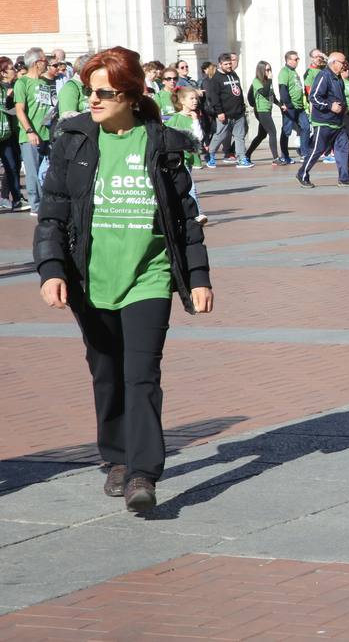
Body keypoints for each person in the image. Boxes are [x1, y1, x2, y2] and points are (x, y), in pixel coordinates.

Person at [33, 46, 212, 513]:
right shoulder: (73, 141)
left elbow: (185, 219)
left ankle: (143, 472)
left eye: (104, 93)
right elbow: (52, 214)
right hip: (90, 278)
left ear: (132, 96)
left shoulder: (162, 143)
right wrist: (51, 269)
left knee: (141, 375)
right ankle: (115, 457)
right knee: (106, 371)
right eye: (90, 91)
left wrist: (197, 277)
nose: (92, 101)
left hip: (148, 277)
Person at [296, 51, 349, 188]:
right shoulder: (323, 76)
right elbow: (314, 97)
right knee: (317, 150)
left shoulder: (338, 78)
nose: (345, 65)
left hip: (338, 122)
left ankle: (344, 178)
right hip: (323, 122)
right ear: (334, 63)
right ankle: (302, 174)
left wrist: (348, 109)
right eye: (343, 62)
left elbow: (340, 98)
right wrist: (330, 106)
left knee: (343, 149)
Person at [14, 47, 58, 214]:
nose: (46, 63)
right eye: (44, 61)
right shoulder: (22, 83)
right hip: (31, 135)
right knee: (33, 171)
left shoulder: (45, 82)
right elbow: (20, 110)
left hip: (48, 133)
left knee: (48, 171)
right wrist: (30, 131)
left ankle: (47, 201)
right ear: (35, 63)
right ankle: (36, 205)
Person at [164, 86, 208, 225]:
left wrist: (195, 120)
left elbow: (198, 137)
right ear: (182, 101)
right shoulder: (176, 118)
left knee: (185, 186)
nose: (195, 101)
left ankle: (183, 213)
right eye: (192, 98)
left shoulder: (194, 117)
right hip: (177, 159)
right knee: (190, 185)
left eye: (196, 98)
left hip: (188, 158)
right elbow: (166, 134)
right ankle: (198, 213)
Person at [204, 53, 251, 169]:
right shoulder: (216, 78)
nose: (229, 66)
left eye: (230, 63)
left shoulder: (234, 74)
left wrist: (242, 107)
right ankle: (210, 153)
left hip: (238, 113)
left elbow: (238, 91)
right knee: (220, 135)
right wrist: (219, 112)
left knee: (239, 136)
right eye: (226, 64)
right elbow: (214, 97)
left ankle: (241, 158)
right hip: (225, 114)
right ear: (220, 64)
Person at [246, 61, 281, 165]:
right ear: (261, 70)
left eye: (270, 69)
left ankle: (247, 155)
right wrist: (270, 80)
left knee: (261, 135)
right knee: (272, 132)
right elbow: (265, 93)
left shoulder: (268, 81)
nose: (269, 72)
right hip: (261, 111)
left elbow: (271, 95)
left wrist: (279, 104)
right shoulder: (256, 81)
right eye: (267, 70)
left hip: (267, 110)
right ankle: (275, 158)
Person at [0, 57, 23, 210]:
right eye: (11, 68)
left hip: (7, 134)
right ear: (3, 72)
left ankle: (16, 199)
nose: (14, 71)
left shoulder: (13, 86)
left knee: (12, 166)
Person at [276, 50, 306, 165]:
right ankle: (284, 156)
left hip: (300, 106)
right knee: (286, 131)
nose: (298, 61)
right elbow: (282, 89)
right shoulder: (284, 72)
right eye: (296, 59)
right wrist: (287, 105)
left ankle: (304, 152)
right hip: (290, 107)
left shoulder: (294, 72)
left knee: (306, 127)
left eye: (298, 59)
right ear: (288, 60)